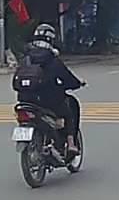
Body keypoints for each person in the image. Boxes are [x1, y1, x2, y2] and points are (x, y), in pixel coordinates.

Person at [17, 23, 85, 153]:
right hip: (47, 101)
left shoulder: (26, 57)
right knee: (70, 108)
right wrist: (77, 83)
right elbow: (67, 78)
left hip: (24, 99)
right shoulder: (52, 58)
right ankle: (71, 143)